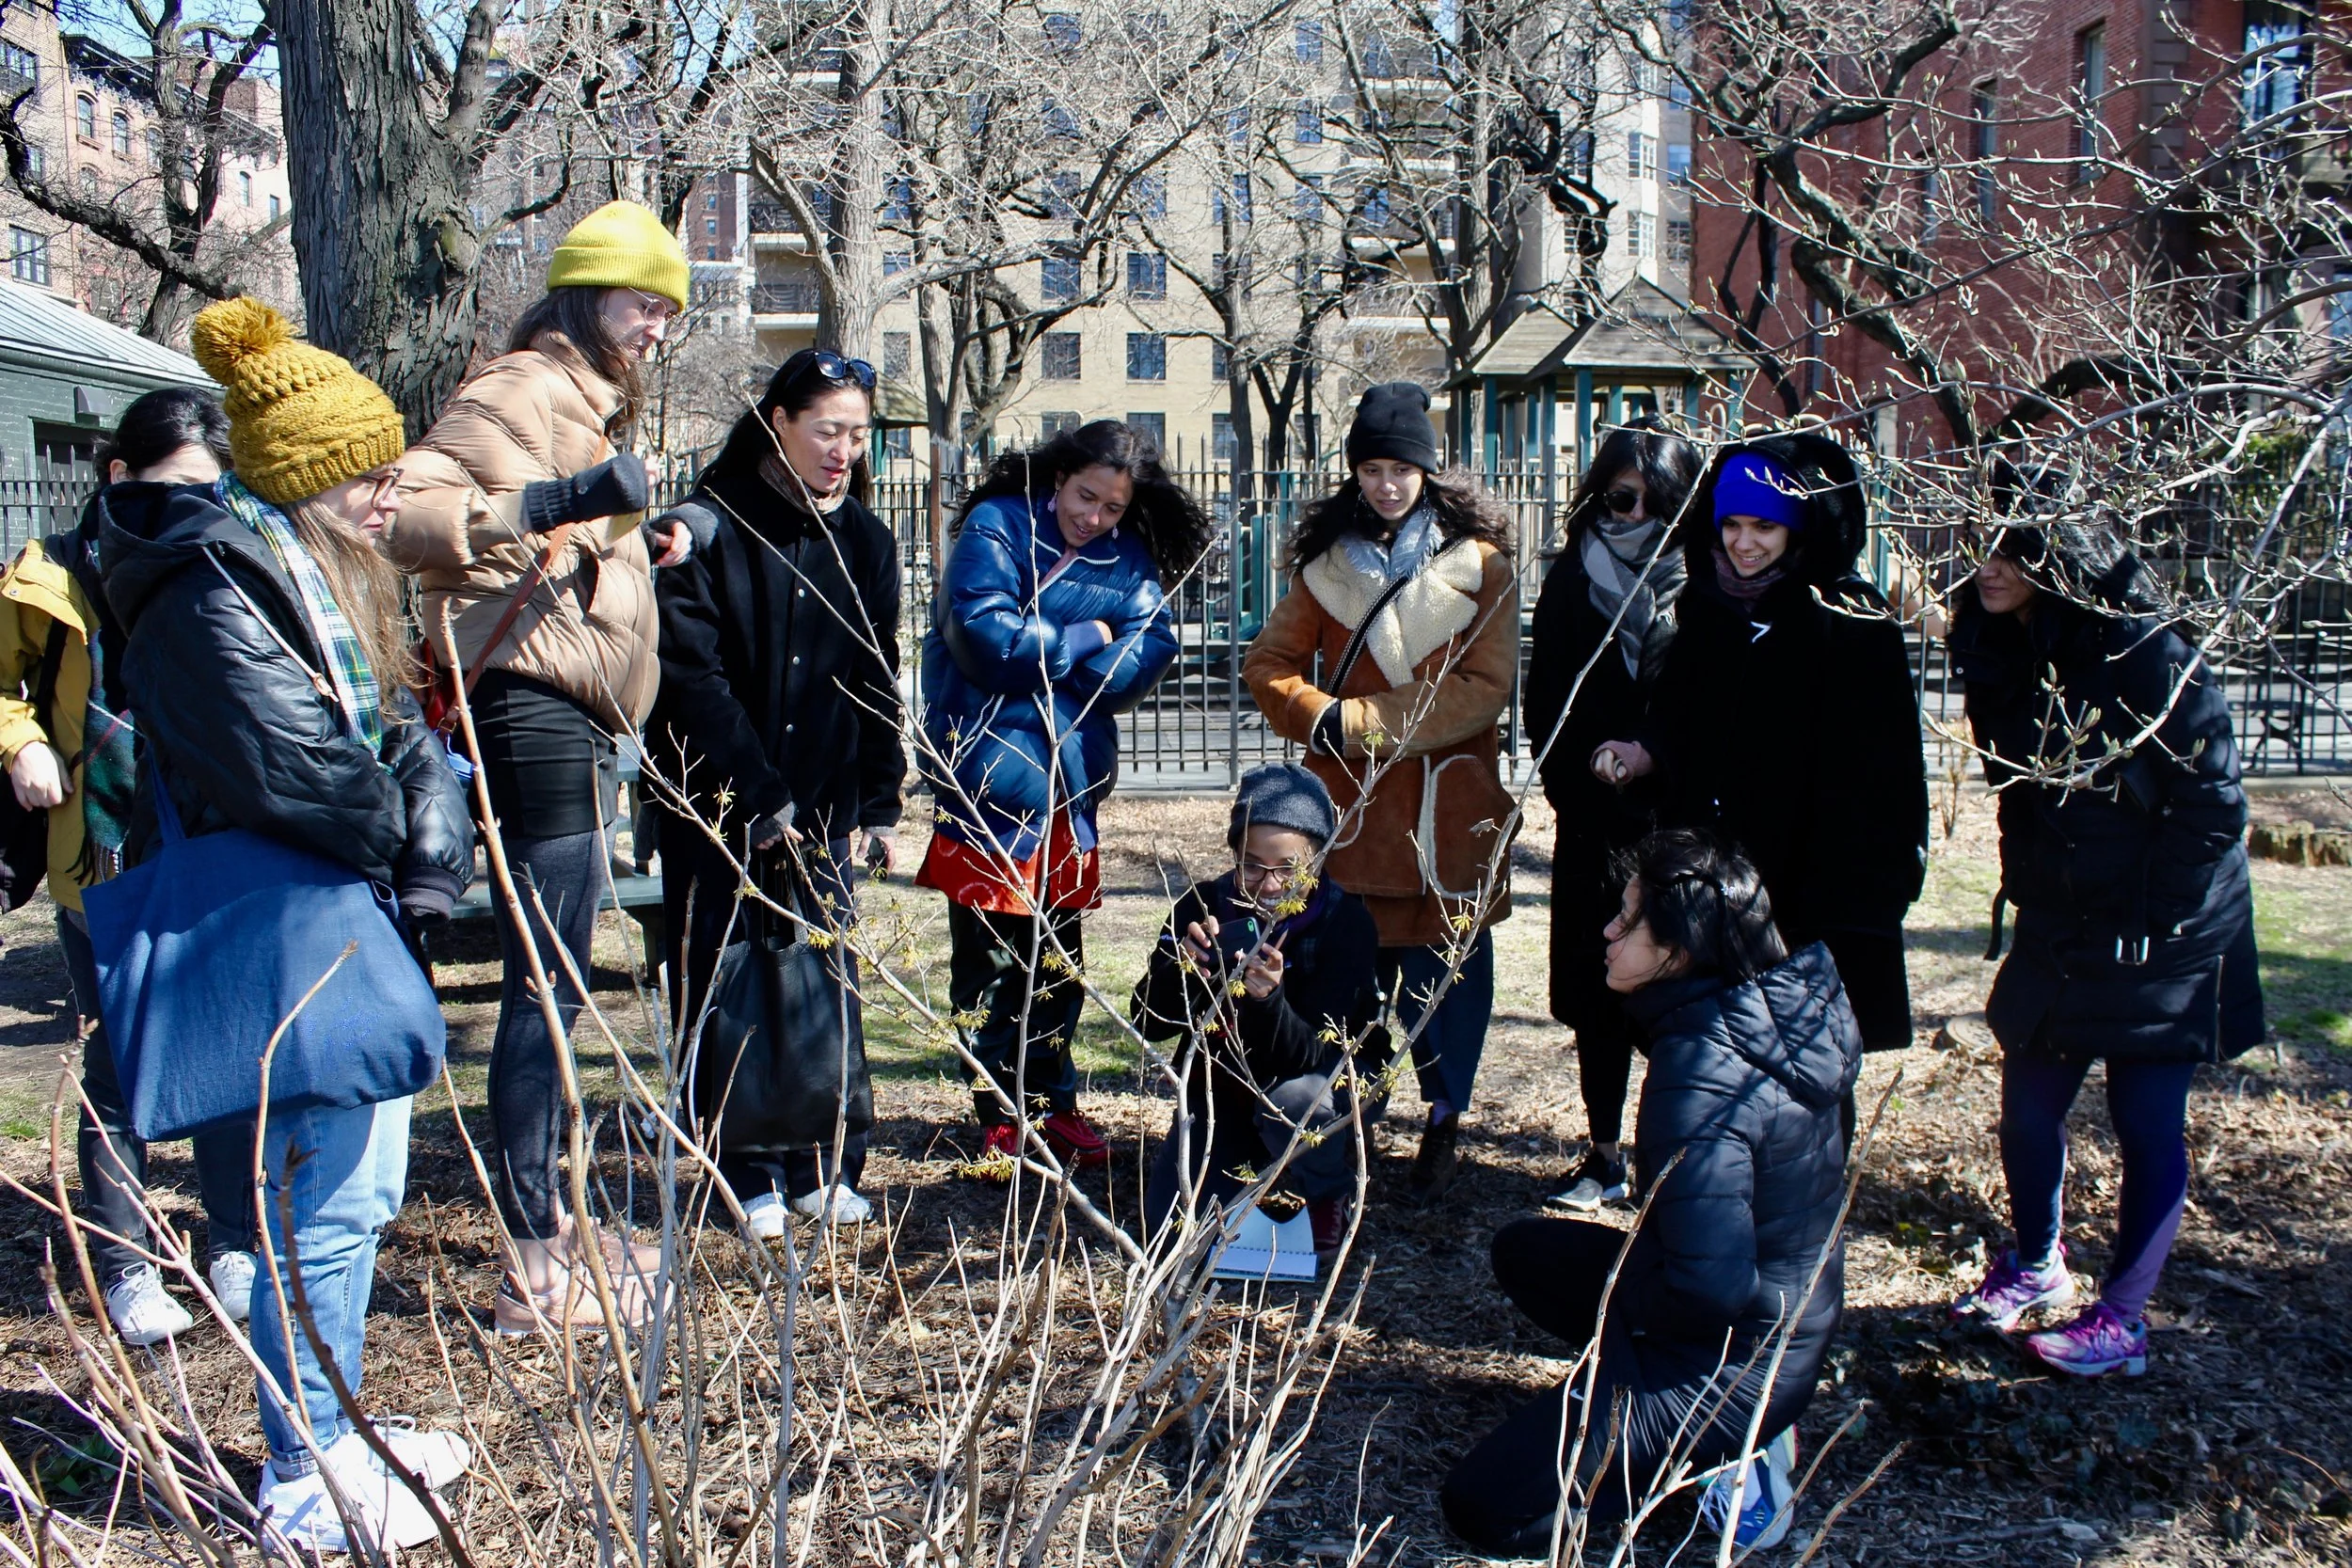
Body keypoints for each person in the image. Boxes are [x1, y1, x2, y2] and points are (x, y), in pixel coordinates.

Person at [100, 298, 473, 1552]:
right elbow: (298, 769)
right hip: (283, 922)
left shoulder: (303, 574)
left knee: (353, 1200)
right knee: (315, 1204)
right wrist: (399, 820)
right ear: (307, 474)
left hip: (332, 910)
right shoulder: (213, 586)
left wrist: (420, 805)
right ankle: (304, 1472)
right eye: (372, 472)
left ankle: (338, 1423)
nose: (392, 491)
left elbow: (389, 733)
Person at [391, 199, 688, 1331]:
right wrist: (568, 501)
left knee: (559, 970)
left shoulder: (585, 400)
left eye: (667, 307)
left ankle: (553, 1221)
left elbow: (561, 546)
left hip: (564, 702)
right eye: (639, 302)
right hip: (529, 706)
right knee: (545, 978)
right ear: (581, 295)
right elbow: (405, 512)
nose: (656, 324)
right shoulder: (523, 385)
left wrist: (636, 542)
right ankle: (532, 1249)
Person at [1439, 830, 1859, 1557]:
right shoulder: (1784, 1012)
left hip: (1732, 1367)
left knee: (1482, 1509)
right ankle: (1691, 1420)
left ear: (1680, 949)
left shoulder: (1701, 1069)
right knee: (1527, 1251)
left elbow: (1711, 1286)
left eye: (1630, 920)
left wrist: (1625, 1354)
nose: (1607, 929)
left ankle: (1716, 1461)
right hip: (1787, 1320)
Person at [1945, 507, 2264, 1377]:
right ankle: (2038, 1261)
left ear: (2066, 557)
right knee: (2028, 1104)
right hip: (2064, 918)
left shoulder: (2151, 654)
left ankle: (2123, 1320)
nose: (1989, 566)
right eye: (1977, 546)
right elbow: (2023, 796)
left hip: (2170, 927)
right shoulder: (2000, 650)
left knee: (2147, 1120)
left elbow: (2214, 807)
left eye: (2013, 547)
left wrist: (2149, 922)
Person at [0, 389, 263, 1345]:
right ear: (118, 475)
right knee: (119, 1066)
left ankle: (235, 1242)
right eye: (176, 484)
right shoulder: (55, 575)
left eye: (211, 487)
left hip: (217, 844)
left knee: (233, 1055)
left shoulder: (229, 556)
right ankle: (125, 1263)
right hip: (102, 853)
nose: (195, 504)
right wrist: (20, 741)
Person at [1243, 382, 1517, 1202]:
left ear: (1428, 473)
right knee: (1348, 981)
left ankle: (1444, 1120)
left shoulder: (1485, 566)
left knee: (1449, 985)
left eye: (1401, 468)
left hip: (1445, 814)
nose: (1386, 484)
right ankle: (1355, 1113)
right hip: (1356, 814)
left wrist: (1354, 717)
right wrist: (1317, 718)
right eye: (1371, 468)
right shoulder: (1323, 571)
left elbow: (1484, 687)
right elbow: (1268, 666)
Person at [649, 349, 903, 1232]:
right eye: (827, 430)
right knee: (727, 978)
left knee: (820, 978)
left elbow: (877, 673)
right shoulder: (710, 527)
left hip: (825, 800)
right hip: (718, 800)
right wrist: (754, 792)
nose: (844, 451)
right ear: (779, 423)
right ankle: (741, 1166)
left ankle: (821, 1159)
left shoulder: (866, 538)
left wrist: (878, 801)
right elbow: (688, 672)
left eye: (859, 435)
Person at [914, 420, 1204, 1172]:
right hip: (989, 778)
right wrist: (1088, 632)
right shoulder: (997, 526)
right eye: (1085, 496)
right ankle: (1000, 1113)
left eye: (1112, 507)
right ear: (1058, 476)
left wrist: (1053, 653)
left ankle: (1054, 1102)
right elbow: (986, 640)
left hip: (1071, 786)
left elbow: (1150, 650)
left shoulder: (1129, 556)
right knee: (988, 960)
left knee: (1058, 960)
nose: (1094, 517)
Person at [1591, 433, 1928, 1053]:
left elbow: (1888, 778)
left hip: (1811, 892)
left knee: (1808, 1063)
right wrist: (1644, 755)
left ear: (1799, 529)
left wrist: (1865, 896)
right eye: (1733, 525)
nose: (1744, 544)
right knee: (1707, 1051)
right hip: (1714, 889)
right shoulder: (1709, 611)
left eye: (1765, 527)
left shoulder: (1851, 624)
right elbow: (1678, 718)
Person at [1522, 417, 1702, 1212]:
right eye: (1616, 495)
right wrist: (1573, 786)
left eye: (1650, 499)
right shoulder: (1572, 575)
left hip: (1678, 825)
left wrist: (1661, 760)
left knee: (1677, 996)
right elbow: (1546, 697)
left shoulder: (1704, 576)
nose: (1628, 513)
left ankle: (1671, 1153)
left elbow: (1714, 703)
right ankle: (1601, 1155)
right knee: (1598, 994)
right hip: (1594, 823)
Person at [1131, 763, 1386, 1254]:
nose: (1268, 885)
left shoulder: (1345, 923)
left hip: (1317, 1082)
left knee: (1293, 1105)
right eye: (1250, 865)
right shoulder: (1202, 907)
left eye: (1288, 868)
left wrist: (1268, 1000)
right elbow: (1148, 1019)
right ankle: (1253, 1158)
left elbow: (1310, 1055)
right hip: (1223, 1088)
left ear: (1317, 860)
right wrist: (1182, 974)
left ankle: (1329, 1187)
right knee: (1171, 1233)